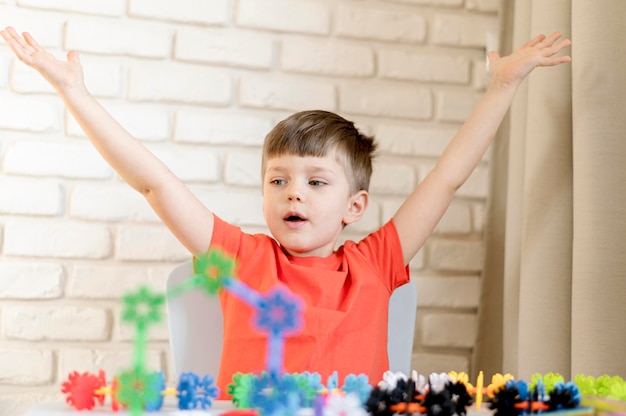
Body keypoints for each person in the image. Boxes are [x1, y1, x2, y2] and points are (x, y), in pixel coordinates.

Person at [0, 26, 571, 396]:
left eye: (316, 181)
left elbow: (448, 179)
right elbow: (154, 184)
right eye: (278, 180)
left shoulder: (375, 262)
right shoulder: (243, 258)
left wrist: (501, 87)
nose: (293, 192)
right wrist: (73, 92)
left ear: (355, 206)